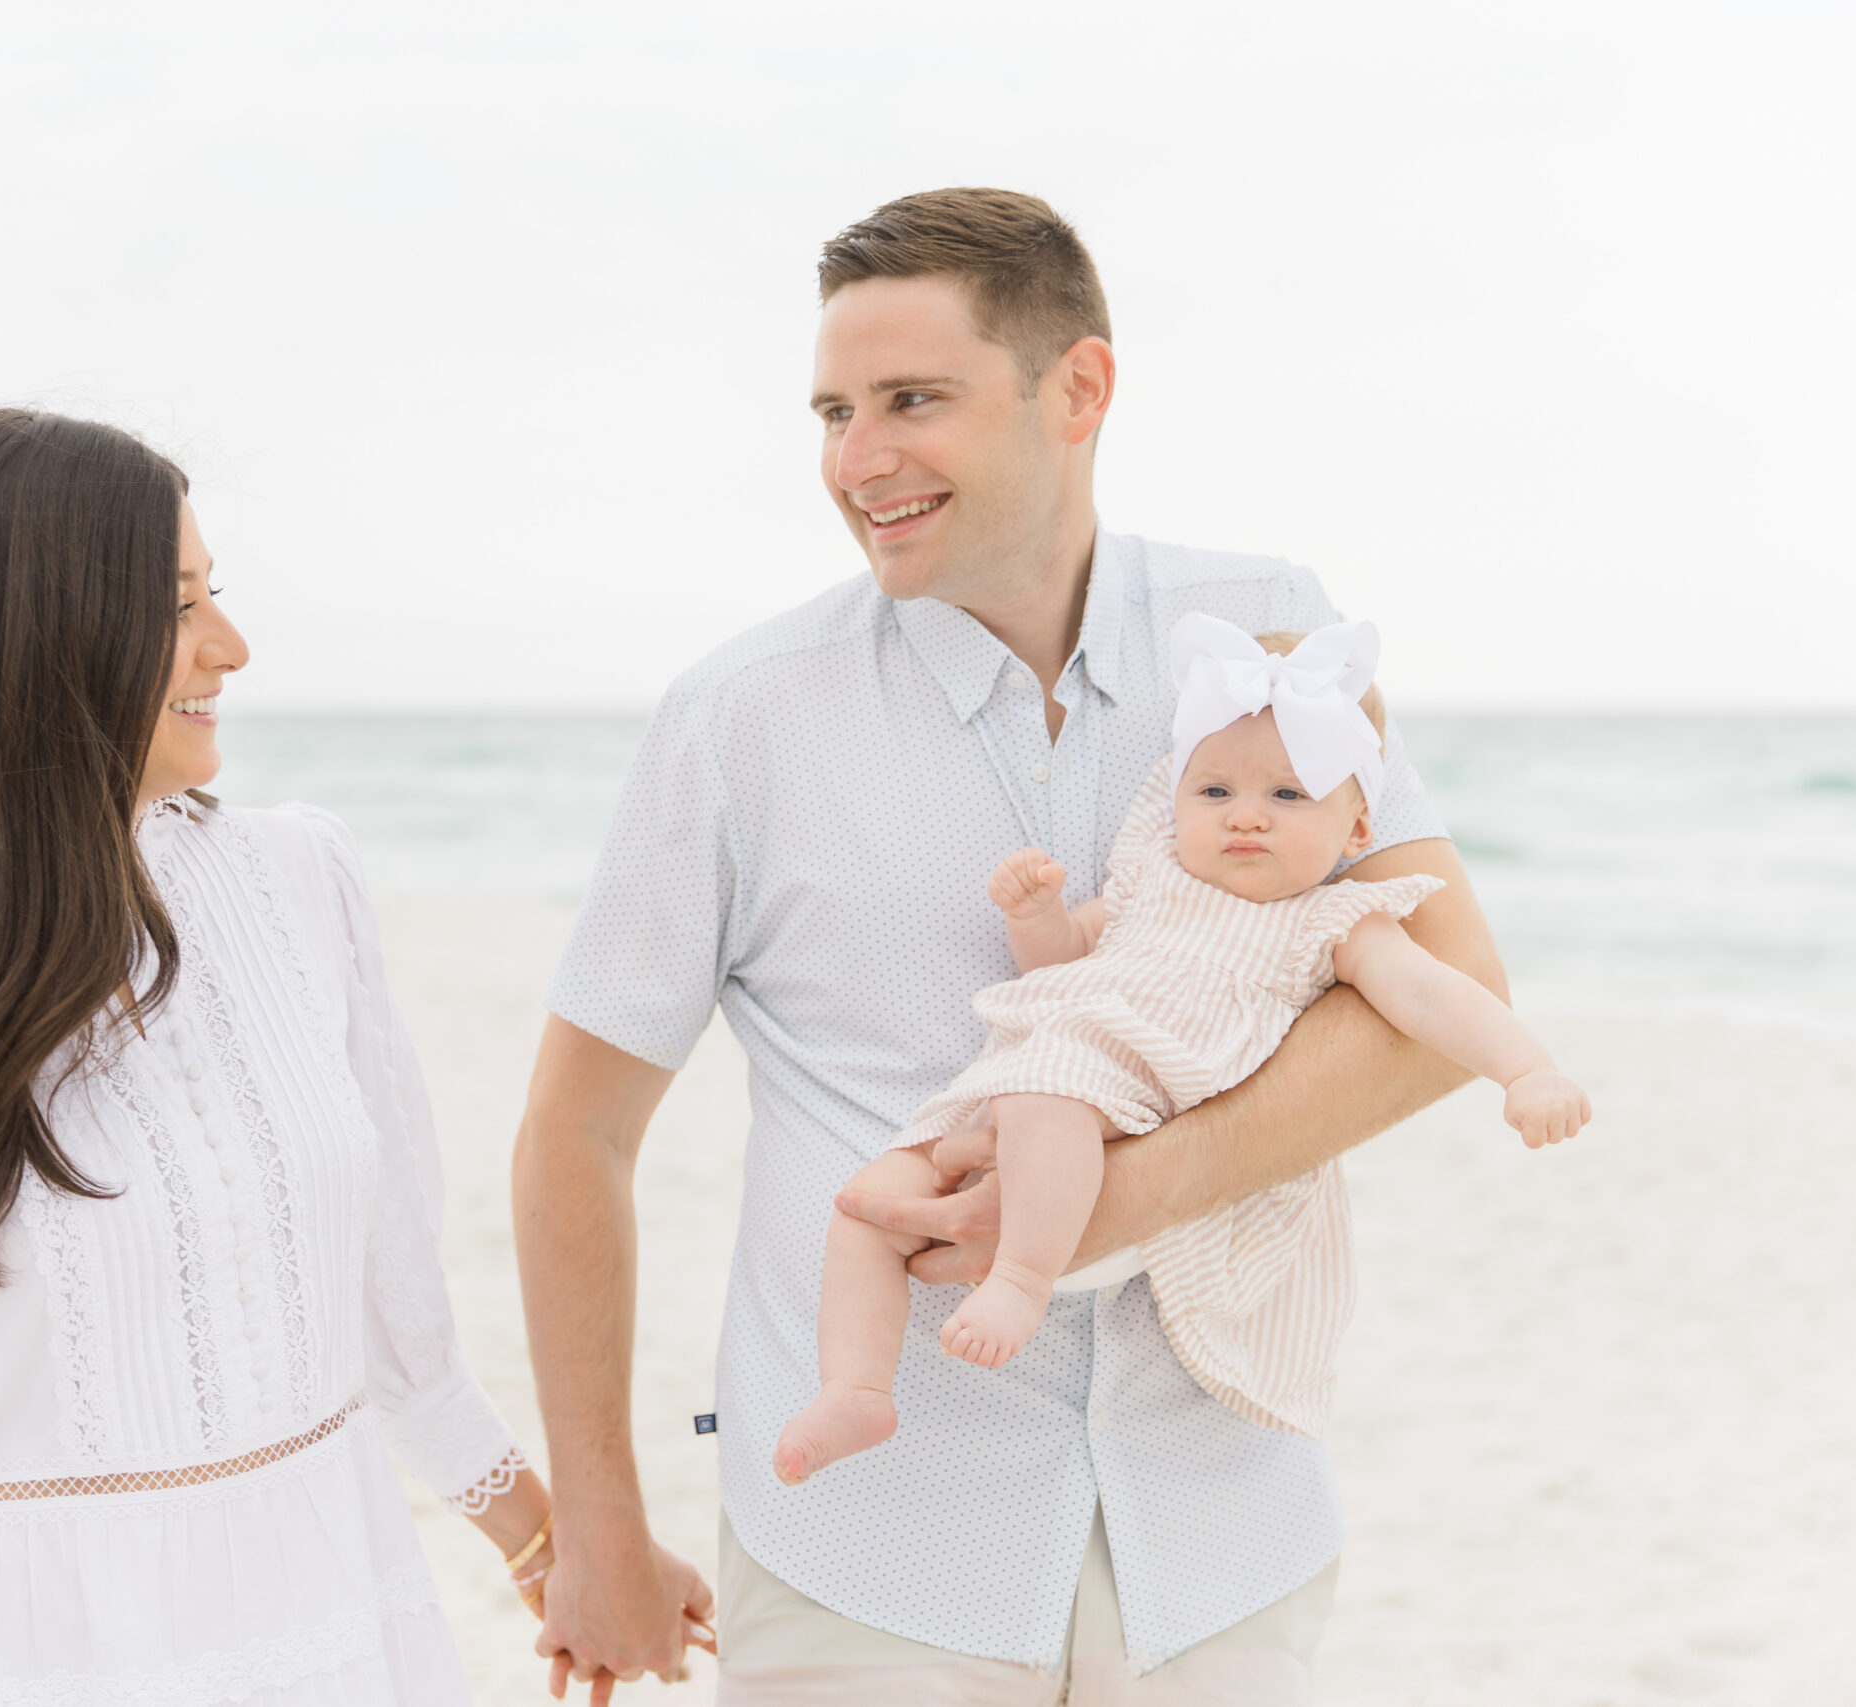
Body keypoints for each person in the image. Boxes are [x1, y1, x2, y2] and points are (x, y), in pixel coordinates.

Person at [515, 187, 1509, 1704]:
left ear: (1080, 389)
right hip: (867, 1549)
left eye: (915, 398)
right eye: (835, 410)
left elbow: (1449, 997)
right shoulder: (738, 718)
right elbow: (576, 1133)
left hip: (1222, 1525)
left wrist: (1115, 1201)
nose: (859, 459)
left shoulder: (1273, 637)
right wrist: (597, 1526)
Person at [0, 410, 711, 1706]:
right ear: (40, 641)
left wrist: (560, 1542)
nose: (231, 647)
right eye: (175, 605)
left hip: (333, 1609)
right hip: (19, 1653)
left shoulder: (298, 878)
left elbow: (391, 1321)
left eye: (217, 594)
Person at [774, 617, 1590, 1484]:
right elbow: (1061, 961)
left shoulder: (1335, 922)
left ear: (1357, 832)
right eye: (1214, 793)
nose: (1245, 816)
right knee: (873, 1196)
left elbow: (1436, 993)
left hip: (1133, 1109)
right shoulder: (1152, 877)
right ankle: (855, 1385)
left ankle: (1019, 1277)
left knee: (1046, 1097)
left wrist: (1526, 1069)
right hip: (1039, 1078)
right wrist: (1036, 916)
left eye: (1287, 796)